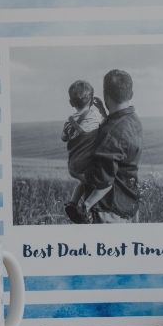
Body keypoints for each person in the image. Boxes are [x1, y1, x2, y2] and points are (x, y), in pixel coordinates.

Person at [81, 69, 142, 223]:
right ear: (131, 94)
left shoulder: (111, 132)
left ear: (105, 95)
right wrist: (104, 113)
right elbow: (118, 133)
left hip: (109, 210)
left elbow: (105, 182)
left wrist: (86, 205)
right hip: (129, 204)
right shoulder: (133, 120)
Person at [60, 80, 108, 223]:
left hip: (74, 166)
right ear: (92, 101)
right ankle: (86, 206)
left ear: (71, 103)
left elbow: (63, 138)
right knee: (106, 183)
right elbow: (107, 125)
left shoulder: (69, 121)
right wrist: (102, 110)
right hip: (88, 164)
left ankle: (72, 203)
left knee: (83, 183)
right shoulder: (95, 117)